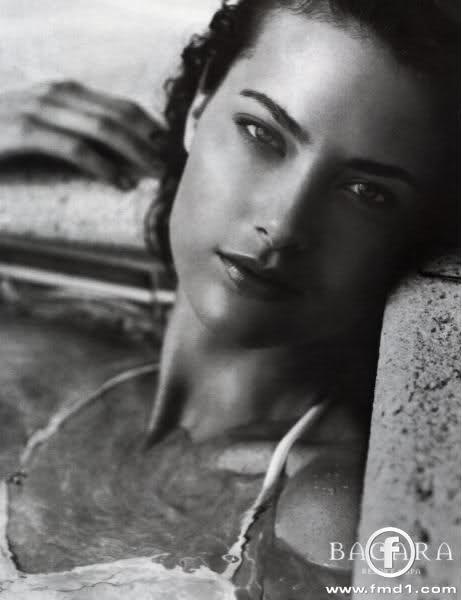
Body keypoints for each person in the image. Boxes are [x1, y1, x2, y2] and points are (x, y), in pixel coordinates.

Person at [0, 1, 458, 598]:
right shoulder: (37, 362)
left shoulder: (322, 512)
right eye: (263, 134)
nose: (284, 223)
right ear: (198, 112)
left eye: (367, 192)